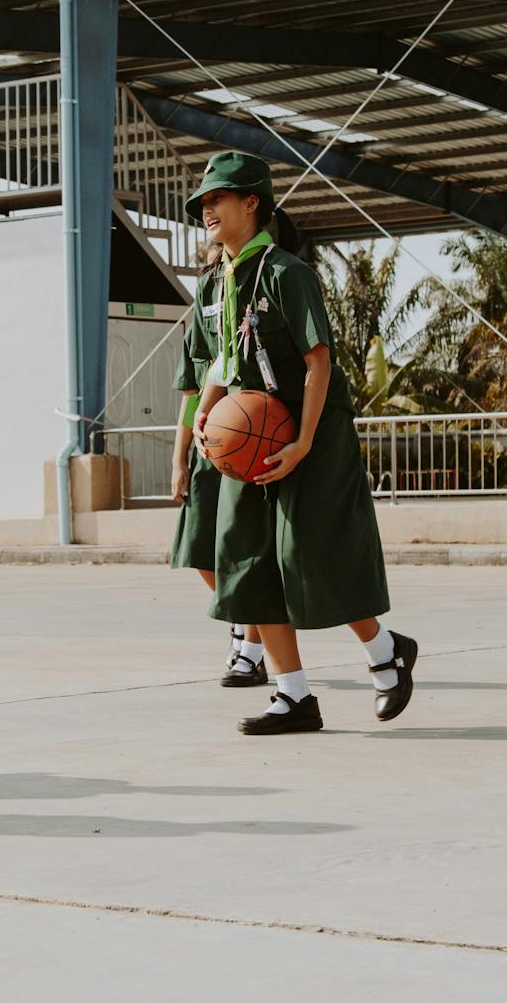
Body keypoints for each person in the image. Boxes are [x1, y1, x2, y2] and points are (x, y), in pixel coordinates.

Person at [188, 153, 415, 735]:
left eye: (218, 199)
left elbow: (318, 361)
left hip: (310, 428)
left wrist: (305, 441)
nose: (207, 209)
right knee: (248, 560)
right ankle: (293, 697)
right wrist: (208, 414)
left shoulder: (289, 273)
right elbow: (223, 359)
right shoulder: (218, 281)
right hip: (250, 431)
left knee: (312, 554)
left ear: (251, 203)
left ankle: (386, 651)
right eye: (204, 203)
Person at [172, 217, 295, 688]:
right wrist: (180, 457)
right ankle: (244, 623)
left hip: (250, 436)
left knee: (250, 552)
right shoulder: (202, 310)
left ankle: (250, 641)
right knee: (198, 550)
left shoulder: (266, 292)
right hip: (212, 440)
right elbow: (190, 392)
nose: (213, 261)